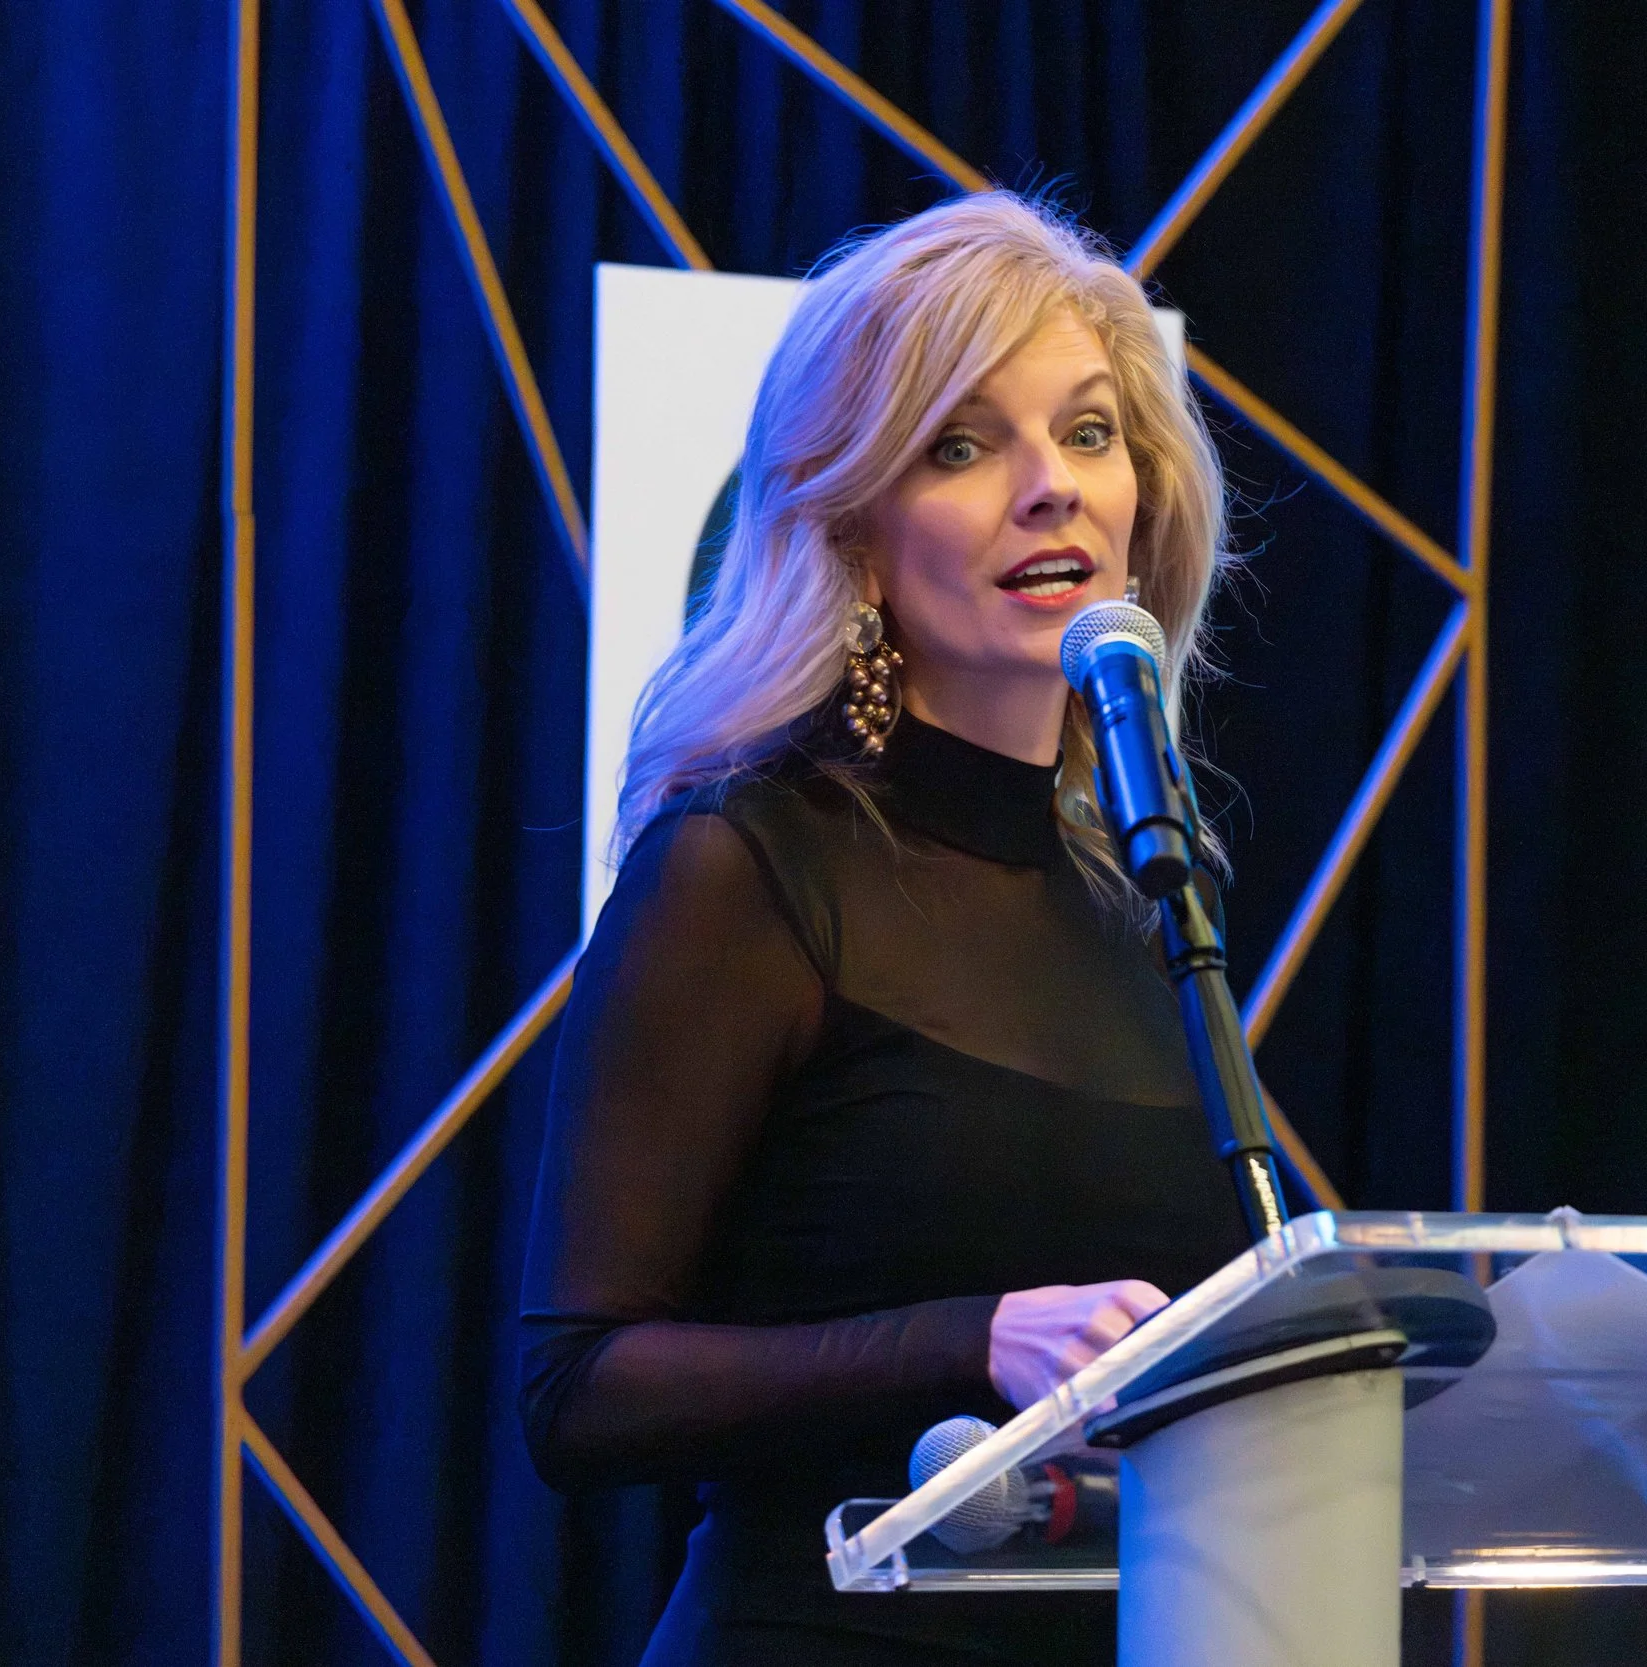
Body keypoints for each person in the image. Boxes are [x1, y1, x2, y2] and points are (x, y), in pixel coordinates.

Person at [518, 192, 1252, 1666]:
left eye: (1090, 432)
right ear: (855, 531)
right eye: (964, 446)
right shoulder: (745, 864)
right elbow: (578, 1386)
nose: (1053, 487)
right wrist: (966, 1338)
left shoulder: (1148, 892)